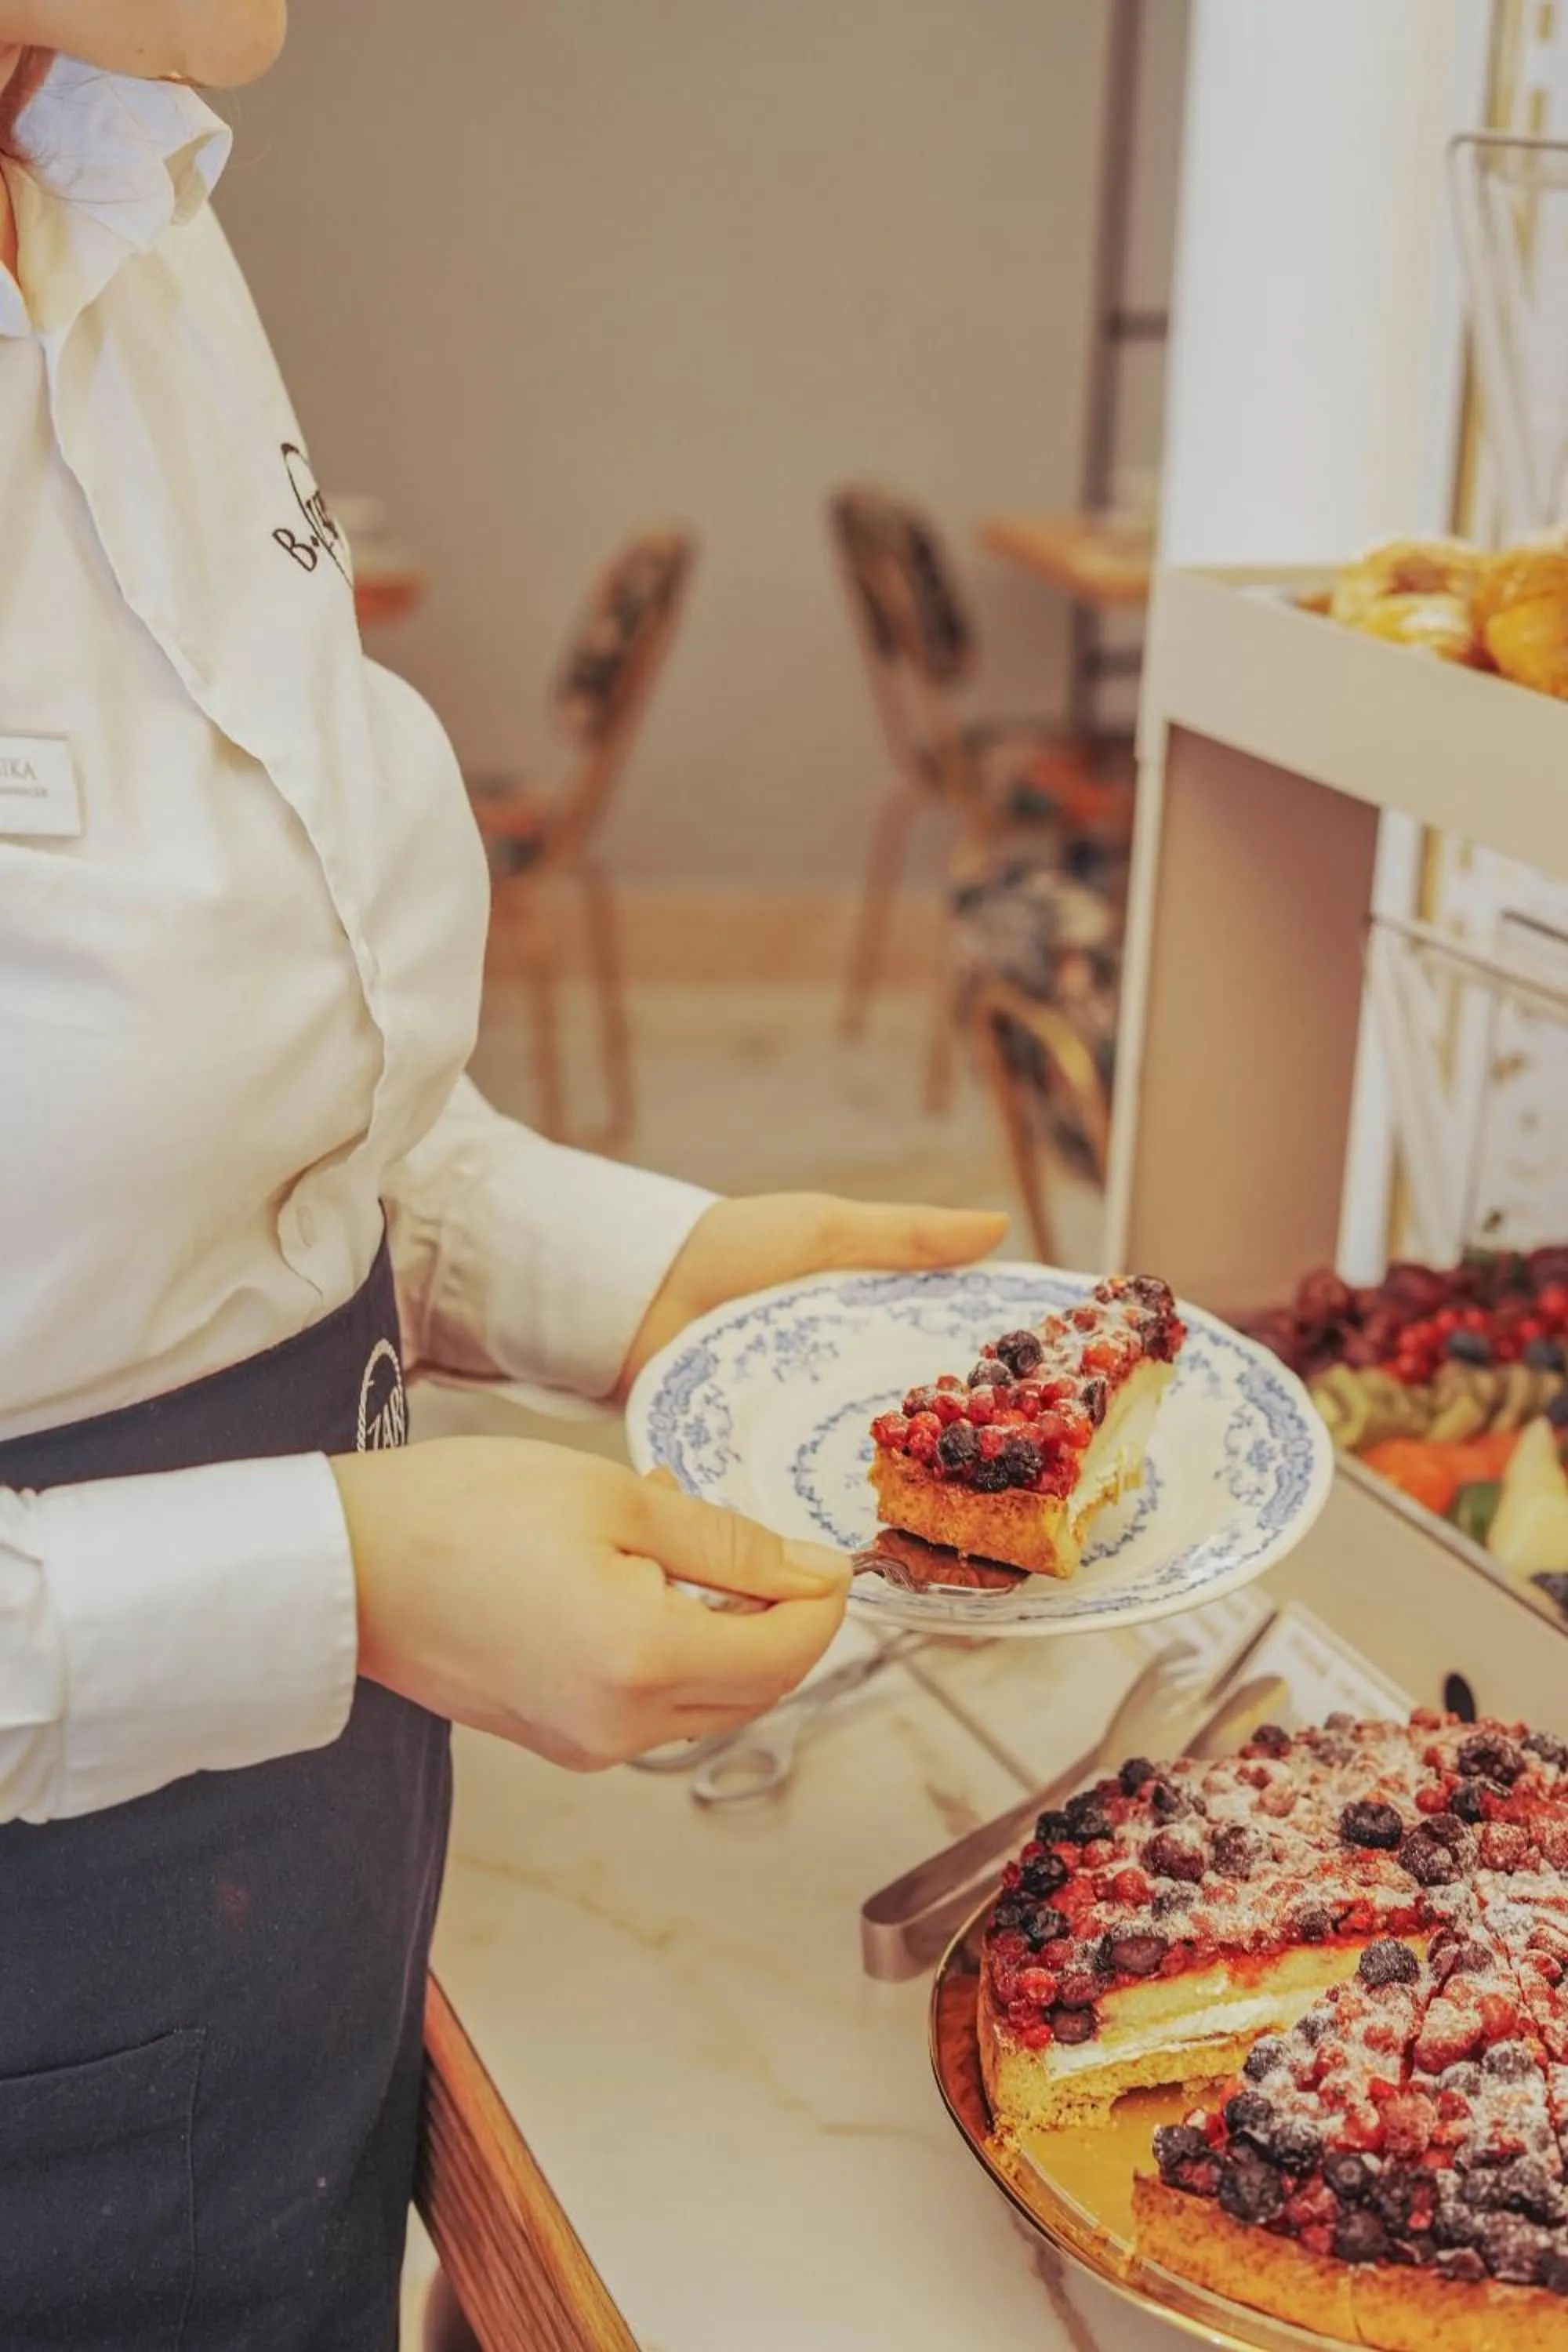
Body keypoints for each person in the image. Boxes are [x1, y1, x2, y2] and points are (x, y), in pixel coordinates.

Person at [0, 8, 1004, 2345]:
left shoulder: (126, 199)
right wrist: (334, 1580)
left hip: (286, 1908)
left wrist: (644, 1274)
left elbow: (234, 1101)